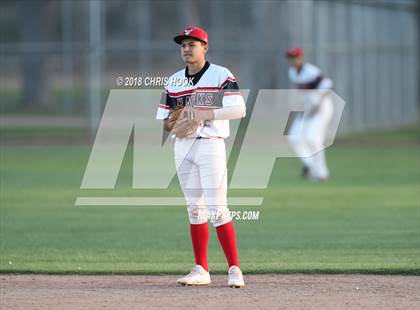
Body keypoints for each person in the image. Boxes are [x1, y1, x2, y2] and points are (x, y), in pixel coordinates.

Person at [156, 26, 246, 287]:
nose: (186, 49)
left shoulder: (221, 74)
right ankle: (201, 270)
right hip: (182, 145)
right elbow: (165, 122)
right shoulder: (173, 80)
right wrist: (177, 120)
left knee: (218, 208)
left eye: (192, 44)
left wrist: (201, 113)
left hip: (211, 145)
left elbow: (239, 109)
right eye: (183, 45)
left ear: (205, 47)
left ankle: (234, 269)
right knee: (195, 208)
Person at [285, 47, 334, 181]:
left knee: (313, 139)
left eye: (295, 57)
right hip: (306, 108)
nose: (292, 60)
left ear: (300, 58)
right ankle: (311, 166)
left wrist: (318, 104)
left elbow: (328, 86)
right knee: (293, 137)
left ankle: (322, 174)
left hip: (322, 107)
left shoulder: (310, 71)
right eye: (290, 58)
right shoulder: (292, 72)